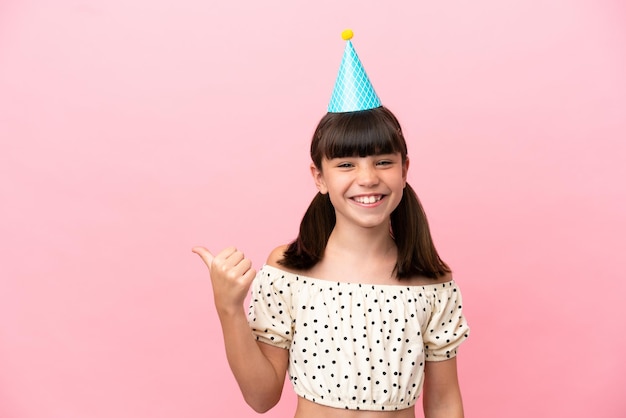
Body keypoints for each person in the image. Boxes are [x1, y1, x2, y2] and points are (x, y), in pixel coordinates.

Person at [193, 30, 470, 418]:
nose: (368, 178)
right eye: (345, 165)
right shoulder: (289, 269)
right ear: (319, 177)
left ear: (405, 170)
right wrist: (229, 308)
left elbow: (443, 401)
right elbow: (261, 397)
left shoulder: (432, 282)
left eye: (383, 161)